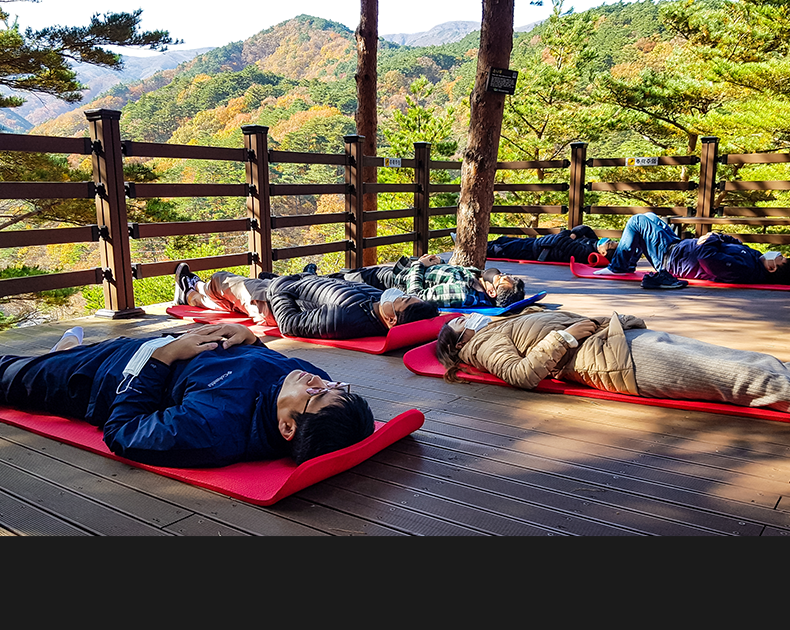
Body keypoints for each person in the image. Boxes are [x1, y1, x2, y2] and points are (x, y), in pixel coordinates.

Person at [0, 323, 375, 468]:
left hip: (96, 379)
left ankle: (59, 356)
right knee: (50, 360)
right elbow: (260, 361)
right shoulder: (304, 382)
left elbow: (123, 431)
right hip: (146, 344)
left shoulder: (213, 429)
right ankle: (61, 351)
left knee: (9, 375)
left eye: (319, 393)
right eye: (337, 386)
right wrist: (252, 340)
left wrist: (160, 360)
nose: (321, 381)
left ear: (288, 427)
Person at [435, 309, 790, 413]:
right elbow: (520, 374)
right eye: (459, 320)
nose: (467, 316)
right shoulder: (481, 346)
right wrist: (567, 335)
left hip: (622, 338)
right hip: (616, 359)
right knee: (743, 377)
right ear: (460, 337)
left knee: (752, 361)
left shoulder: (502, 323)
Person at [174, 265, 440, 340]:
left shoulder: (344, 318)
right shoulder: (374, 301)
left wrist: (278, 287)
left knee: (222, 280)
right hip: (291, 284)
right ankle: (193, 294)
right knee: (232, 300)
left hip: (271, 299)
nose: (398, 295)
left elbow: (289, 324)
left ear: (392, 319)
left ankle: (192, 292)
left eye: (402, 300)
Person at [594, 211, 790, 287]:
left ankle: (619, 266)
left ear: (772, 268)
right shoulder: (755, 257)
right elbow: (733, 241)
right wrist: (718, 236)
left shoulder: (745, 268)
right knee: (650, 216)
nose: (778, 254)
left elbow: (707, 259)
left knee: (637, 221)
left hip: (670, 259)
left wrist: (712, 238)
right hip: (677, 246)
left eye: (780, 258)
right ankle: (626, 263)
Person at [324, 254, 526, 309]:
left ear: (492, 292)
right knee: (350, 273)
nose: (499, 274)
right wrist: (439, 262)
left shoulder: (463, 293)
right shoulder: (475, 281)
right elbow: (451, 274)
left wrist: (419, 266)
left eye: (500, 279)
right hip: (405, 272)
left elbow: (416, 296)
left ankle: (310, 278)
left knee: (347, 279)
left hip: (395, 283)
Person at [486, 225, 618, 263]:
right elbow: (585, 228)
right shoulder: (594, 242)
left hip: (535, 251)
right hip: (537, 242)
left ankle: (474, 250)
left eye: (610, 244)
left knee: (498, 249)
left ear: (603, 252)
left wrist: (568, 234)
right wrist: (574, 234)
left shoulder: (585, 253)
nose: (608, 240)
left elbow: (559, 240)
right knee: (503, 240)